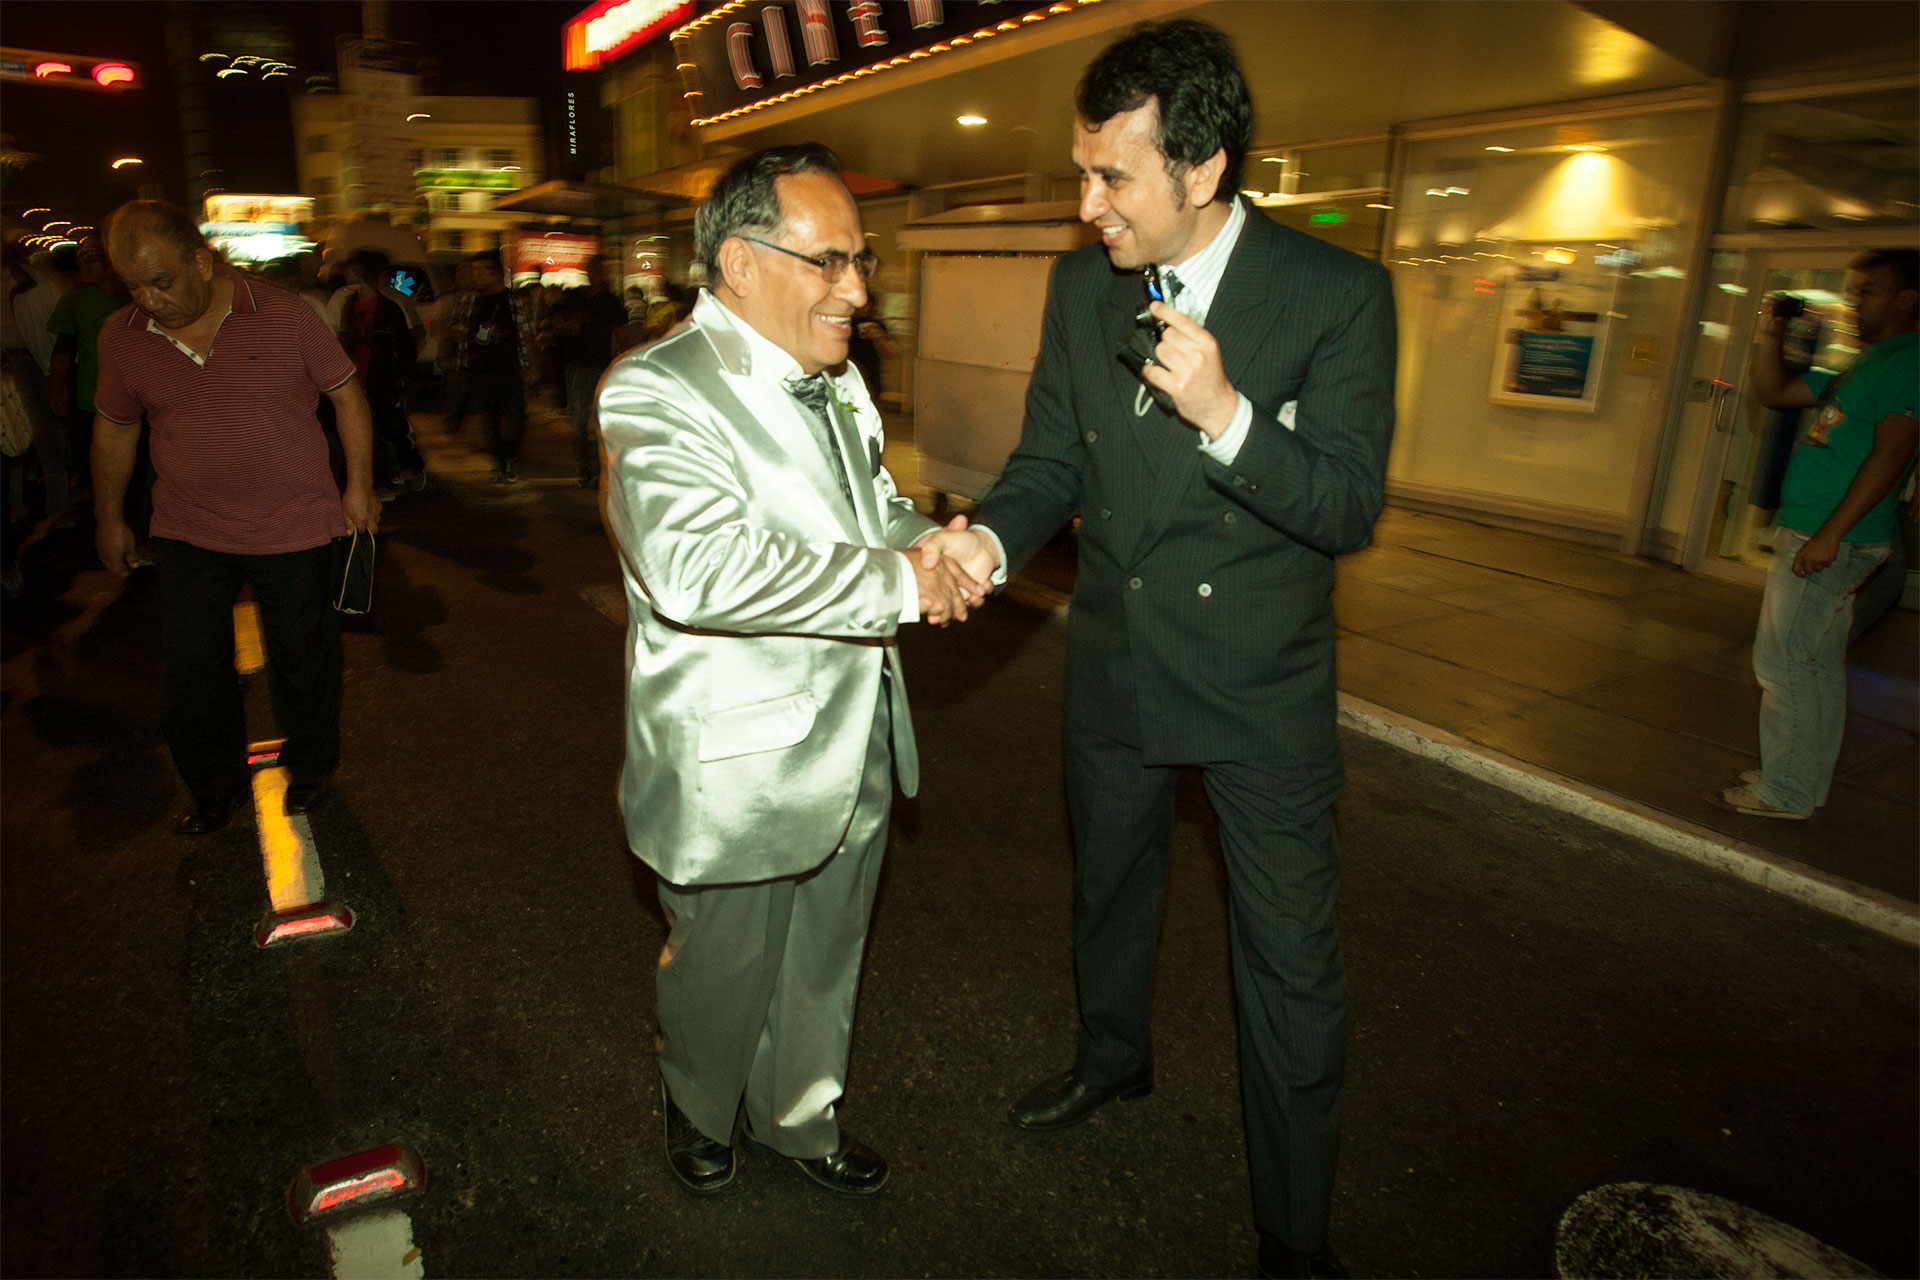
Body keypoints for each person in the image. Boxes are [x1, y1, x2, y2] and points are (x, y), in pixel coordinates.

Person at [918, 20, 1396, 1279]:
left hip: (1260, 683)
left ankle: (1294, 1233)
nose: (1088, 208)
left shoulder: (1338, 294)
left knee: (1289, 963)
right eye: (1082, 172)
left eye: (1112, 177)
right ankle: (1111, 1060)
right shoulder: (1085, 289)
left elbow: (1348, 505)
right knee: (1110, 884)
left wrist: (1228, 414)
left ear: (1204, 168)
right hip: (1120, 660)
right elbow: (1048, 463)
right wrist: (987, 545)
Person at [597, 143, 984, 1200]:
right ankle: (697, 1095)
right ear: (738, 262)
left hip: (856, 727)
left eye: (859, 261)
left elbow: (870, 508)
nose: (857, 290)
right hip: (737, 754)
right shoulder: (657, 389)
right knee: (724, 959)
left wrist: (931, 544)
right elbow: (696, 567)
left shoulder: (840, 378)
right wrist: (900, 584)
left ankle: (800, 1116)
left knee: (826, 949)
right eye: (829, 261)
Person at [91, 200, 378, 835]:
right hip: (190, 526)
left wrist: (359, 486)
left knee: (304, 658)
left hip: (296, 521)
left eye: (161, 281)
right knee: (192, 667)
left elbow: (347, 397)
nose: (149, 299)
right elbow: (115, 431)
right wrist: (109, 517)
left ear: (201, 259)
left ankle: (310, 767)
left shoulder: (283, 314)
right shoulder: (122, 336)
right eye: (133, 285)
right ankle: (213, 786)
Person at [1713, 248, 1918, 820]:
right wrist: (1768, 335)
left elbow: (1891, 456)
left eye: (1868, 291)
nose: (1854, 302)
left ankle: (1788, 792)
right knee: (1815, 665)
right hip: (1819, 534)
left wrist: (1829, 535)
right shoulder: (1866, 363)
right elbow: (1774, 392)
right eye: (1853, 291)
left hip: (1830, 540)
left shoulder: (1911, 362)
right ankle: (1800, 777)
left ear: (1908, 299)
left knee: (1785, 666)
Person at [337, 249, 425, 494]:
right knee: (366, 428)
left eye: (354, 272)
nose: (349, 276)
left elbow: (405, 343)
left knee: (391, 425)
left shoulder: (390, 306)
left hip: (384, 375)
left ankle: (409, 466)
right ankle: (380, 479)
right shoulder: (349, 304)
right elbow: (346, 338)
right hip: (358, 373)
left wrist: (405, 377)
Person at [553, 261, 630, 488]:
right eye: (594, 271)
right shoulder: (577, 299)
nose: (598, 275)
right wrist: (569, 325)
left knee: (601, 420)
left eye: (601, 271)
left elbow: (622, 334)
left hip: (602, 366)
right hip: (578, 365)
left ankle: (597, 469)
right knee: (578, 420)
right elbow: (558, 325)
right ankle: (584, 467)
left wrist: (624, 361)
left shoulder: (611, 301)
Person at [457, 251, 526, 482]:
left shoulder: (512, 299)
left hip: (509, 367)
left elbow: (525, 334)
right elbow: (457, 327)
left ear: (495, 273)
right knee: (489, 418)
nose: (475, 275)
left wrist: (530, 365)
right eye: (473, 270)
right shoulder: (469, 299)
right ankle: (500, 463)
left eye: (480, 270)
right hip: (480, 368)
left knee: (513, 417)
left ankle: (510, 455)